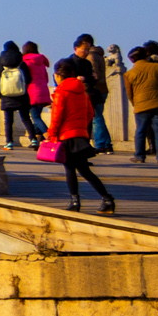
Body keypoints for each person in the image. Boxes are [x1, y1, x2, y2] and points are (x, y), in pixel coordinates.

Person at [50, 57, 114, 214]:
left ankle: (75, 201)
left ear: (58, 75)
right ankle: (107, 200)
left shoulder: (61, 92)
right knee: (84, 170)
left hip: (67, 136)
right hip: (81, 135)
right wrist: (80, 127)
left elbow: (56, 116)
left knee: (70, 169)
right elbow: (90, 113)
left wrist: (52, 135)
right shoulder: (82, 91)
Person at [126, 41, 158, 164]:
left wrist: (135, 103)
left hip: (141, 105)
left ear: (132, 60)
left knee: (140, 130)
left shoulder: (129, 74)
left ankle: (139, 156)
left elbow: (129, 94)